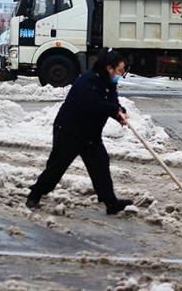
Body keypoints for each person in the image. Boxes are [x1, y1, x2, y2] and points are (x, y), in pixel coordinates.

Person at [26, 49, 133, 215]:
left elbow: (112, 102)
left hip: (90, 134)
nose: (120, 74)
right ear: (109, 68)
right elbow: (90, 105)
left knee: (101, 165)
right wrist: (113, 108)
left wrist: (120, 112)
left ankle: (110, 202)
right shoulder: (88, 80)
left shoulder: (109, 82)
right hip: (69, 131)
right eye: (119, 70)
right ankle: (35, 195)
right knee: (57, 167)